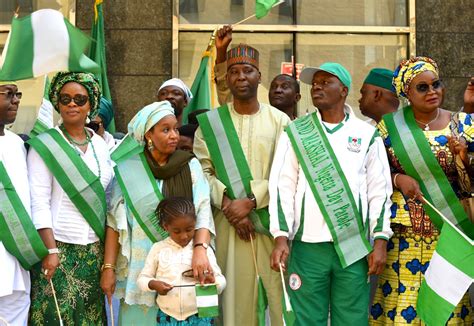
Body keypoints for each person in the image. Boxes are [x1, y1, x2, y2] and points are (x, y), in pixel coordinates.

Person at [269, 62, 393, 325]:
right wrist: (280, 236)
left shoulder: (367, 134)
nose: (317, 86)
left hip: (353, 246)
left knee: (351, 319)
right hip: (306, 247)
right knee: (305, 320)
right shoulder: (296, 132)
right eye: (315, 82)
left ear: (344, 90)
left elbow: (379, 191)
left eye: (326, 82)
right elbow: (283, 185)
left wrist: (380, 240)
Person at [370, 57, 473, 325]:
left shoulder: (464, 124)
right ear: (406, 93)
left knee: (444, 310)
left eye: (436, 84)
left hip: (449, 232)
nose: (433, 92)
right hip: (404, 236)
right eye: (422, 87)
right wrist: (397, 178)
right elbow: (371, 174)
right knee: (402, 308)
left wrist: (464, 158)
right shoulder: (388, 127)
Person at [194, 43, 290, 325]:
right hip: (226, 225)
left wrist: (249, 202)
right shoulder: (211, 124)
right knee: (233, 298)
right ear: (227, 78)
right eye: (234, 71)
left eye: (247, 71)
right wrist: (228, 206)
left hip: (270, 223)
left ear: (259, 76)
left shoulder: (280, 120)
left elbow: (286, 172)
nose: (240, 77)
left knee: (276, 296)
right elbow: (201, 171)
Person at [101, 101, 215, 324]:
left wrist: (200, 251)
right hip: (140, 268)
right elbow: (114, 224)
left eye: (175, 128)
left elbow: (203, 211)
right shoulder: (128, 170)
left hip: (184, 265)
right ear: (148, 135)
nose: (174, 135)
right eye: (165, 130)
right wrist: (108, 268)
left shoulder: (189, 165)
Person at [27, 72, 114, 325]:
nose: (72, 104)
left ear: (91, 104)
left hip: (94, 253)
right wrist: (50, 250)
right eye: (65, 99)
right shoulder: (45, 145)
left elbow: (108, 203)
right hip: (58, 249)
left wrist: (107, 263)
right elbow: (39, 201)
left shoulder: (100, 145)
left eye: (79, 98)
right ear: (57, 103)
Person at [0, 81, 48, 325]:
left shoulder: (17, 143)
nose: (16, 100)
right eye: (8, 94)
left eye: (17, 94)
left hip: (16, 260)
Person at [137, 197, 226, 325]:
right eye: (177, 231)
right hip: (167, 317)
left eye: (189, 229)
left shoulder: (203, 251)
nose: (184, 236)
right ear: (165, 226)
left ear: (195, 223)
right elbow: (142, 279)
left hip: (200, 316)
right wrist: (153, 284)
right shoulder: (158, 249)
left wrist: (213, 282)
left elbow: (221, 281)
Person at [214, 25, 301, 120]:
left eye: (284, 87)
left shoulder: (286, 124)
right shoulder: (242, 115)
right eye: (273, 87)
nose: (278, 90)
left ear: (259, 77)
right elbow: (224, 89)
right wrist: (221, 51)